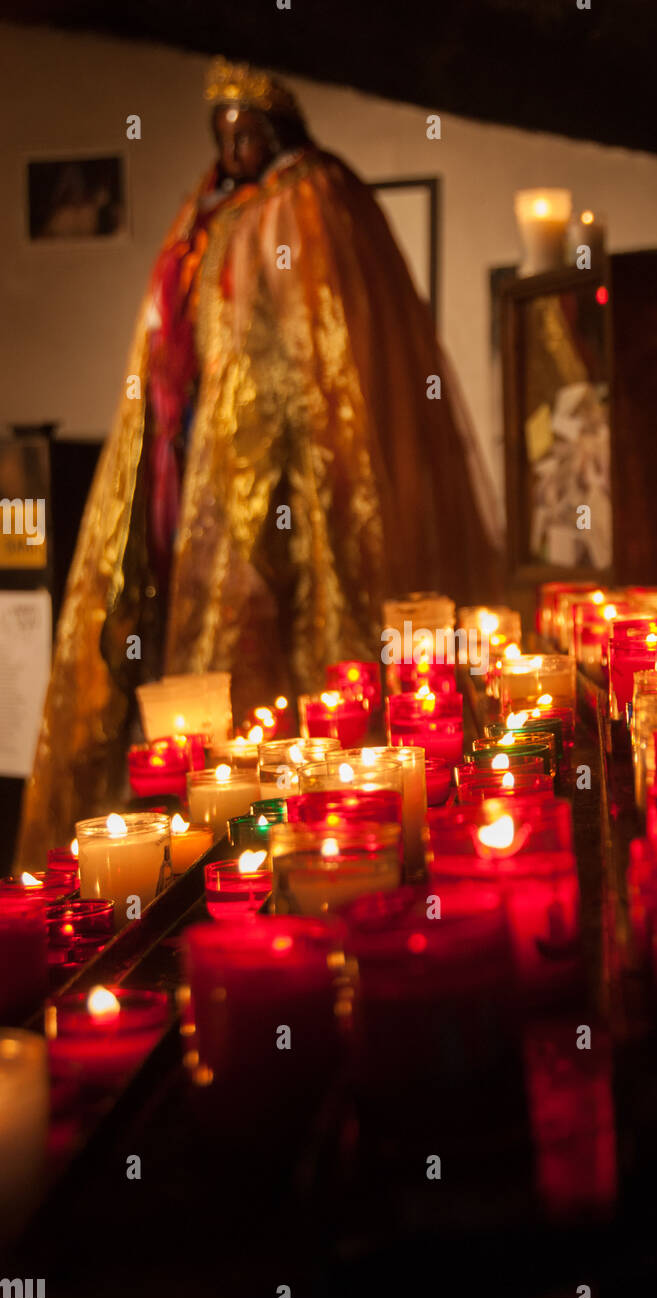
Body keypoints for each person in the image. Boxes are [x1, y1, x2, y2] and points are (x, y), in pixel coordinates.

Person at [17, 57, 503, 868]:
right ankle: (179, 841)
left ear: (274, 129)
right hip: (186, 455)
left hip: (269, 464)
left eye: (247, 128)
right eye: (223, 129)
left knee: (283, 630)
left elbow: (316, 361)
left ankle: (318, 836)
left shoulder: (309, 200)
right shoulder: (204, 210)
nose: (234, 143)